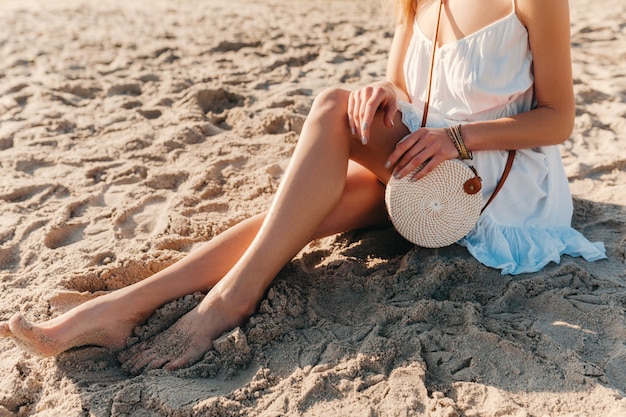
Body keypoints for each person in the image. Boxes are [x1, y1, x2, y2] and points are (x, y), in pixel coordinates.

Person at [0, 0, 606, 374]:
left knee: (329, 109)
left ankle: (230, 302)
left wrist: (458, 140)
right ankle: (122, 308)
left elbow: (557, 118)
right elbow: (398, 87)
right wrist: (381, 94)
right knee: (297, 213)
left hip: (494, 179)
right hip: (420, 163)